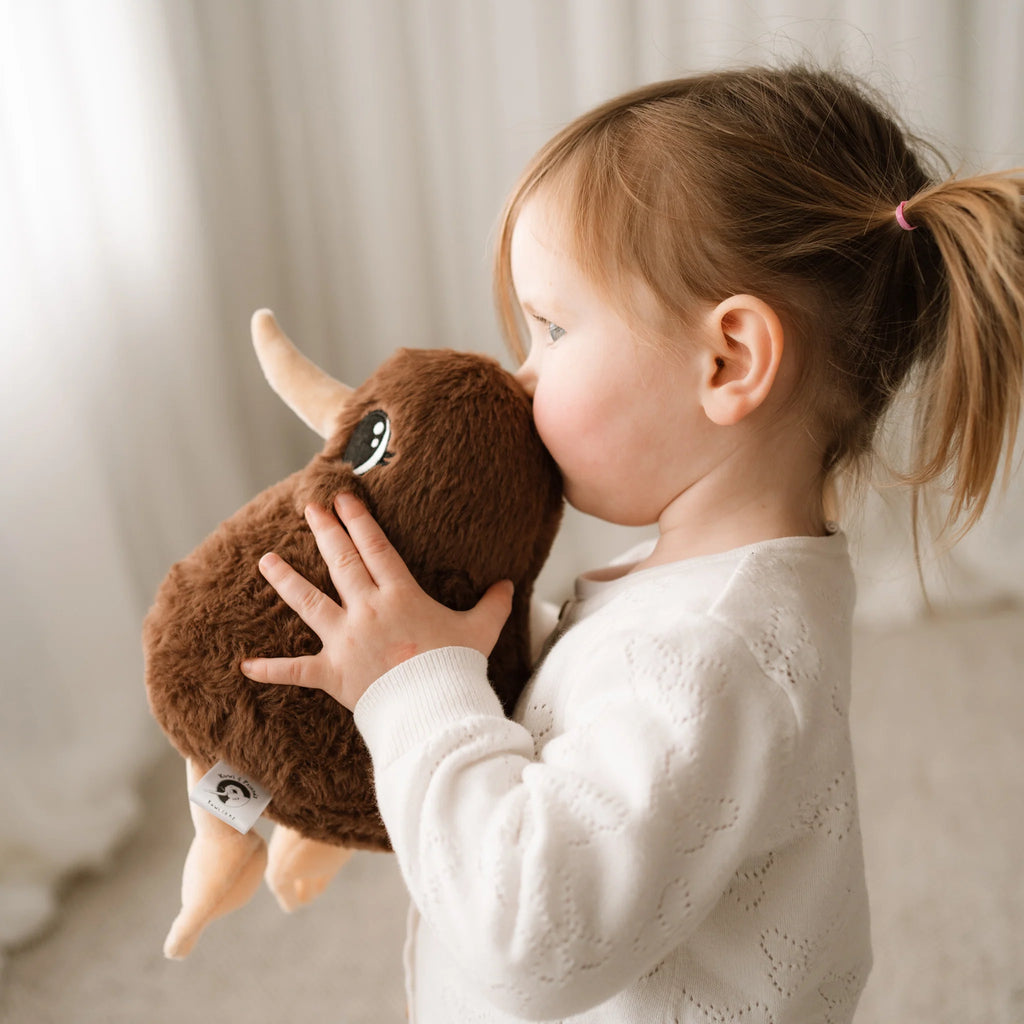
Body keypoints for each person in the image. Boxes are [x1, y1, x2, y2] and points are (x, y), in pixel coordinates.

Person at [241, 65, 1024, 1022]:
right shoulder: (706, 599)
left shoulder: (711, 654)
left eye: (552, 329)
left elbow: (532, 939)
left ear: (728, 360)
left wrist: (416, 689)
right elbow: (593, 716)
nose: (519, 377)